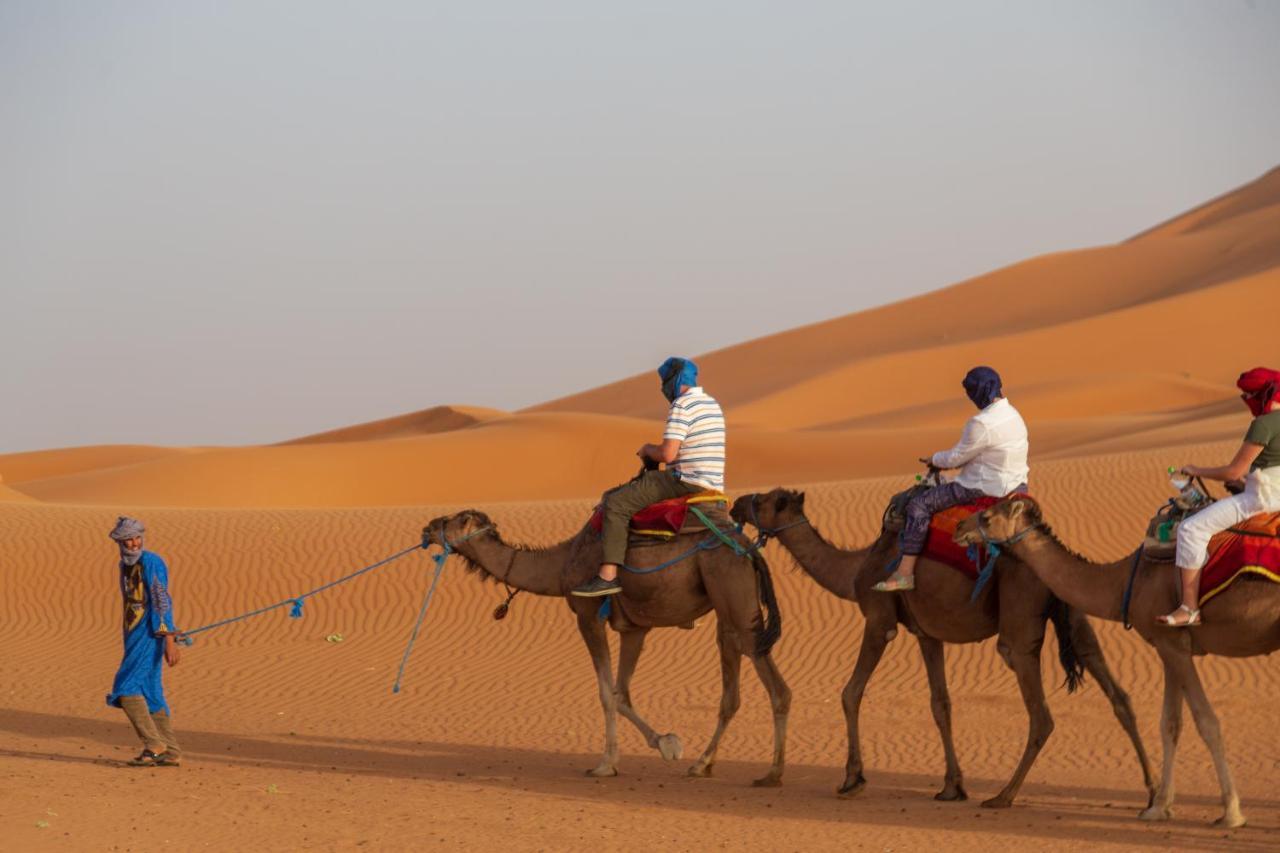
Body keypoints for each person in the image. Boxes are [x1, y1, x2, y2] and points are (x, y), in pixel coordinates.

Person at [572, 357, 726, 597]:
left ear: (673, 380)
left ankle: (608, 575)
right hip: (713, 484)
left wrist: (646, 450)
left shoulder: (682, 405)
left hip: (685, 481)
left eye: (664, 381)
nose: (663, 387)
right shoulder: (711, 403)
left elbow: (668, 453)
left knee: (616, 503)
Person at [874, 366, 1029, 592]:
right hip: (1018, 485)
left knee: (919, 505)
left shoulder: (980, 423)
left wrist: (934, 459)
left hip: (984, 488)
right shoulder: (1014, 414)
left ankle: (905, 573)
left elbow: (956, 457)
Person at [1160, 367, 1280, 626]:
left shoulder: (1264, 424)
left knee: (1191, 529)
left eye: (1248, 395)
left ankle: (1189, 608)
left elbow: (1232, 471)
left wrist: (1196, 470)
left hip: (1262, 501)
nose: (1246, 400)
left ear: (1262, 395)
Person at [105, 516, 184, 766]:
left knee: (126, 687)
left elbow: (161, 599)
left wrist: (169, 638)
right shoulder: (125, 565)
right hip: (134, 632)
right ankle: (170, 751)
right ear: (119, 542)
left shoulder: (151, 561)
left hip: (150, 632)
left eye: (137, 537)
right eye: (128, 539)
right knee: (150, 691)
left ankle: (154, 745)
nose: (133, 543)